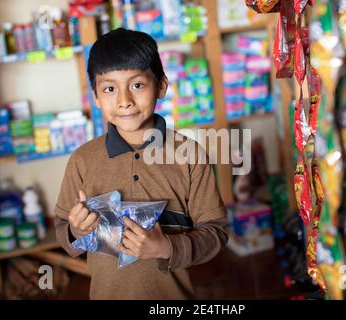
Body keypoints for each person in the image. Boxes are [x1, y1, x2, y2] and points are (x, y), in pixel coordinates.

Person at [54, 28, 228, 299]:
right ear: (96, 97)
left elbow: (216, 234)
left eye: (137, 85)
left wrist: (166, 247)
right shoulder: (82, 160)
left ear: (160, 86)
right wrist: (76, 230)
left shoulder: (190, 155)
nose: (124, 101)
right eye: (110, 88)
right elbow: (64, 234)